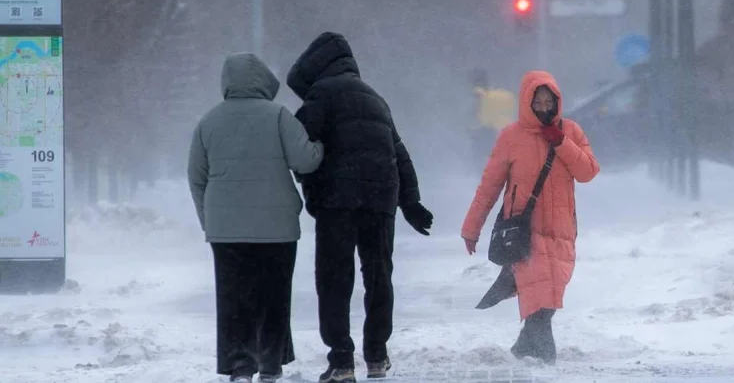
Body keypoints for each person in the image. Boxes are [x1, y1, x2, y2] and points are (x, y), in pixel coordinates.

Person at [286, 32, 434, 383]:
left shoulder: (322, 93)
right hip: (380, 199)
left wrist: (309, 186)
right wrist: (410, 203)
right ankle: (377, 355)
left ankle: (341, 360)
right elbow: (398, 152)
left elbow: (299, 143)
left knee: (335, 279)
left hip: (339, 200)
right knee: (379, 276)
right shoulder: (376, 98)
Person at [187, 53, 324, 383]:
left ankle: (240, 367)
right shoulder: (278, 116)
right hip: (275, 229)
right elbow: (305, 161)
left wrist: (210, 220)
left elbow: (196, 177)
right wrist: (320, 144)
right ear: (263, 81)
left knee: (233, 298)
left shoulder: (209, 121)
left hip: (226, 232)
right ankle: (270, 365)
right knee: (273, 297)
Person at [461, 70, 599, 365]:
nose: (544, 107)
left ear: (558, 101)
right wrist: (471, 228)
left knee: (551, 293)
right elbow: (489, 187)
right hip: (525, 232)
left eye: (550, 101)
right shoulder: (511, 138)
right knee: (541, 296)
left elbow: (588, 171)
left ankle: (523, 351)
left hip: (562, 232)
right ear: (527, 102)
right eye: (539, 101)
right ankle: (543, 359)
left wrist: (560, 141)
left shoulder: (571, 132)